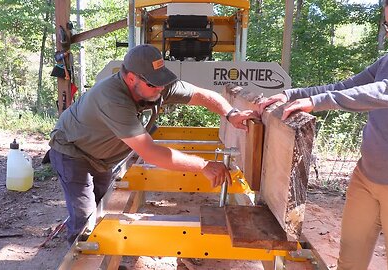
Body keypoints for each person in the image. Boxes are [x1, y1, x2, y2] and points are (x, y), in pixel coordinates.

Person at [259, 0, 388, 269]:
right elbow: (346, 86)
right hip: (366, 177)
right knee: (349, 261)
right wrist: (291, 94)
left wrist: (319, 102)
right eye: (387, 25)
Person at [49, 44, 257, 245]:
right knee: (85, 218)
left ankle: (96, 242)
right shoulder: (111, 99)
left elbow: (202, 95)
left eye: (162, 81)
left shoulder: (157, 85)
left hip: (102, 156)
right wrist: (204, 166)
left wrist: (231, 114)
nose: (161, 88)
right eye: (153, 84)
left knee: (101, 204)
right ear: (130, 78)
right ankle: (81, 249)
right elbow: (151, 153)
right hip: (73, 152)